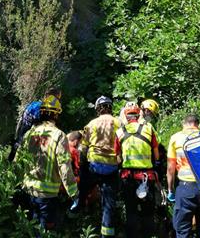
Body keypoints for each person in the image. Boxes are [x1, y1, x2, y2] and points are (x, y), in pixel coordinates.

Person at [18, 94, 78, 233]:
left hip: (28, 191)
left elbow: (18, 161)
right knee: (45, 231)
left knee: (32, 229)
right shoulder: (58, 135)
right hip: (47, 195)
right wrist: (73, 192)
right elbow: (64, 166)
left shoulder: (29, 133)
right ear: (56, 115)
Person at [167, 114, 200, 238]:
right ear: (197, 124)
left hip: (185, 187)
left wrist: (170, 189)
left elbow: (170, 168)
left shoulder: (176, 138)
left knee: (183, 228)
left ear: (183, 124)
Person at [78, 95, 120, 238]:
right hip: (112, 167)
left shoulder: (91, 124)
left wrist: (81, 165)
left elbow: (83, 149)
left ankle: (75, 214)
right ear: (110, 107)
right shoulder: (118, 123)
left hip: (94, 165)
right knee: (109, 204)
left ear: (98, 109)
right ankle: (107, 234)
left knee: (82, 190)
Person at [115, 102, 160, 238]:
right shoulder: (148, 128)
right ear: (138, 113)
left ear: (126, 116)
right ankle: (149, 235)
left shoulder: (119, 132)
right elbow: (156, 153)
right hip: (147, 176)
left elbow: (118, 159)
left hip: (128, 177)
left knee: (131, 211)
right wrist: (155, 163)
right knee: (148, 211)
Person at [8, 88, 61, 161]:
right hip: (29, 145)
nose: (57, 101)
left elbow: (21, 122)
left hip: (20, 140)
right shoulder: (42, 110)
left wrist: (17, 137)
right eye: (57, 98)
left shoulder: (33, 104)